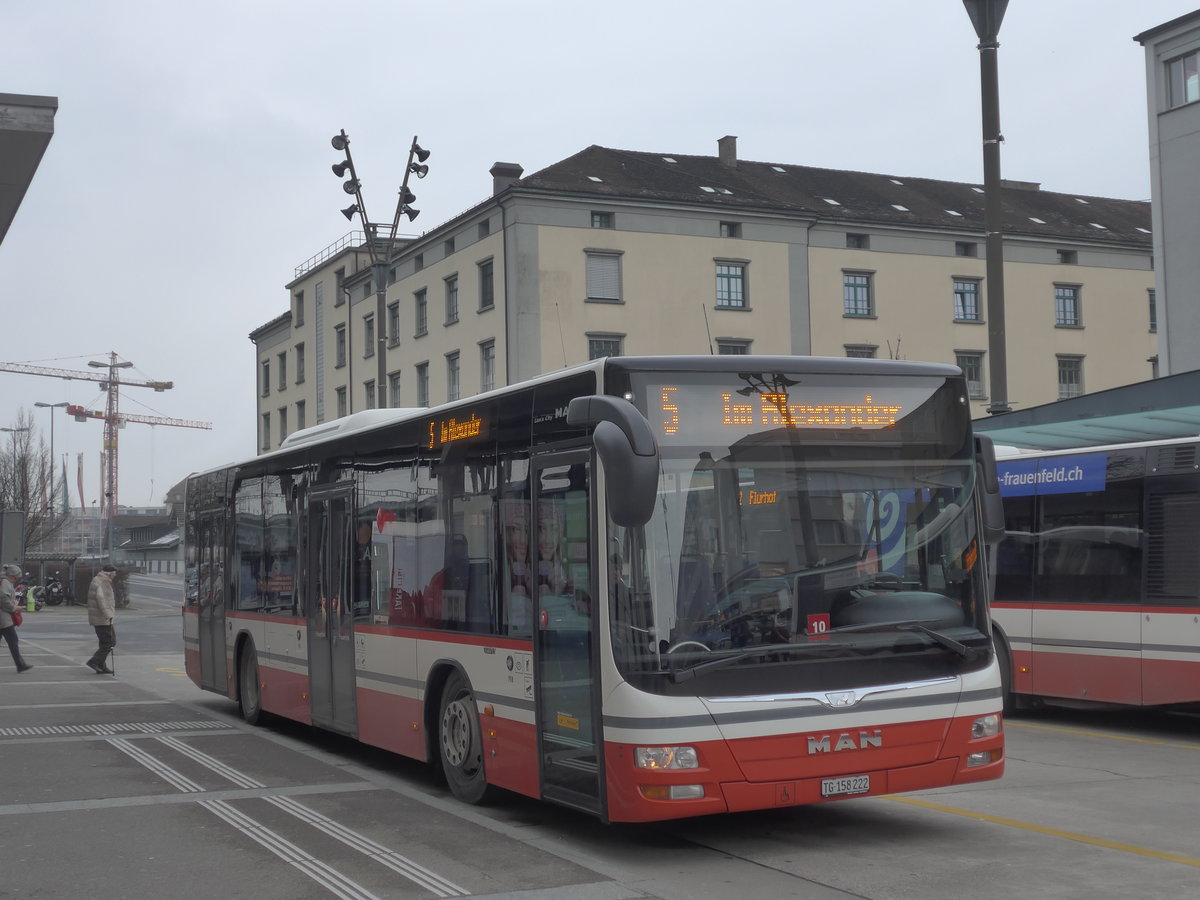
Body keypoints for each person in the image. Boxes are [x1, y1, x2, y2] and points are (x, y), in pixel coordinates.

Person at [0, 563, 33, 673]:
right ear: (12, 576)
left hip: (3, 618)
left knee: (13, 641)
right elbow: (4, 599)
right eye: (16, 577)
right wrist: (14, 608)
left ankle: (20, 664)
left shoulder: (4, 581)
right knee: (13, 641)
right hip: (3, 619)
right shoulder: (5, 583)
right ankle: (20, 665)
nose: (16, 580)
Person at [86, 565, 118, 675]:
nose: (114, 576)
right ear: (109, 573)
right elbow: (101, 600)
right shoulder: (103, 582)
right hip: (103, 618)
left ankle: (101, 665)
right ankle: (94, 661)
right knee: (110, 642)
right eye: (114, 574)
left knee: (105, 642)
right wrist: (108, 614)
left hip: (100, 617)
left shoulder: (98, 580)